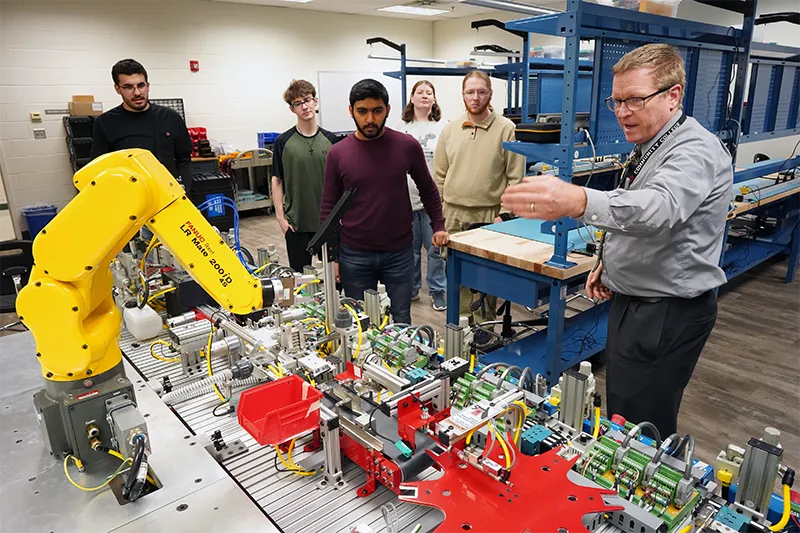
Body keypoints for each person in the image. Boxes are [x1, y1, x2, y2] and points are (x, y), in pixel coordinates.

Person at [501, 44, 732, 437]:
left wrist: (579, 200)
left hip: (665, 312)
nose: (623, 112)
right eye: (617, 101)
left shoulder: (695, 150)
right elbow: (637, 211)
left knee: (640, 428)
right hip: (639, 301)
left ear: (673, 95)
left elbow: (659, 208)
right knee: (625, 411)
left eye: (635, 100)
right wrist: (607, 262)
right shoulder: (653, 144)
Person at [320, 79, 449, 324]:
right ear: (351, 111)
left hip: (399, 253)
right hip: (354, 255)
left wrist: (439, 225)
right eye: (362, 111)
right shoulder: (338, 153)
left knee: (401, 321)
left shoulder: (406, 145)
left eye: (377, 111)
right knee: (360, 324)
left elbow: (428, 189)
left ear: (388, 110)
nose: (370, 119)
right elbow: (328, 207)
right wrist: (332, 258)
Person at [433, 71, 525, 327]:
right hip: (453, 214)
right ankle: (461, 330)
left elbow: (515, 177)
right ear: (463, 95)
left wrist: (504, 214)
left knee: (486, 279)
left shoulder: (506, 129)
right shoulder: (450, 130)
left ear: (490, 94)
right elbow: (439, 176)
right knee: (458, 277)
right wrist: (438, 216)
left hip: (489, 215)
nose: (475, 97)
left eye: (481, 92)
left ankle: (485, 331)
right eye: (470, 92)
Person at [92, 59, 193, 192]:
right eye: (128, 87)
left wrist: (183, 189)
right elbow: (101, 168)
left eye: (141, 85)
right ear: (117, 89)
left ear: (148, 85)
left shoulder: (170, 117)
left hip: (169, 194)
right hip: (130, 197)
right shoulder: (105, 123)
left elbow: (184, 160)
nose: (137, 93)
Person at [272, 80, 340, 272]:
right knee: (301, 279)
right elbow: (277, 180)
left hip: (328, 223)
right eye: (298, 103)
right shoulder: (283, 142)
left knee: (335, 279)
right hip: (297, 224)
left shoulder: (331, 140)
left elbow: (341, 181)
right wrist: (280, 218)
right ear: (292, 109)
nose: (304, 106)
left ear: (315, 101)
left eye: (307, 100)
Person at [395, 80, 448, 312]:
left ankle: (437, 290)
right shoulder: (400, 128)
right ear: (412, 98)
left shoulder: (444, 128)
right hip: (405, 201)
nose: (425, 95)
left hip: (433, 202)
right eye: (420, 92)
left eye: (429, 92)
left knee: (435, 250)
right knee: (411, 251)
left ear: (434, 99)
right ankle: (412, 288)